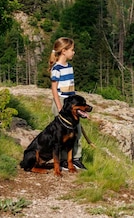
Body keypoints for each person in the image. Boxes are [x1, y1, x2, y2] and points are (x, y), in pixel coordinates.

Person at [48, 37, 87, 170]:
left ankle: (76, 158)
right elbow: (54, 89)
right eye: (72, 50)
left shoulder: (69, 67)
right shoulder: (56, 68)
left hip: (71, 103)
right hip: (62, 103)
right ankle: (63, 160)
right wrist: (59, 106)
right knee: (62, 132)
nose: (73, 52)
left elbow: (71, 87)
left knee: (76, 131)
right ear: (64, 51)